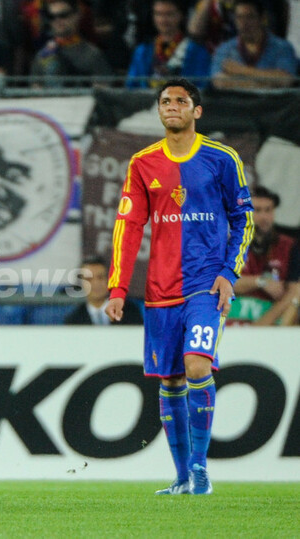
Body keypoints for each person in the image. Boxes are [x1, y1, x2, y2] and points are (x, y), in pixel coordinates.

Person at [105, 78, 254, 496]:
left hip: (206, 285)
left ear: (196, 111)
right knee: (170, 381)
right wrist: (117, 288)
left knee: (197, 366)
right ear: (159, 110)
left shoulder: (222, 158)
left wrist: (229, 272)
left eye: (181, 101)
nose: (172, 106)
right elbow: (128, 226)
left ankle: (200, 468)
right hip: (161, 289)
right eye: (165, 101)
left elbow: (243, 218)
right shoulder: (142, 163)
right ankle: (182, 477)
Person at [231, 186, 298, 325]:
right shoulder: (229, 244)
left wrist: (261, 328)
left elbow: (294, 291)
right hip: (233, 321)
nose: (264, 217)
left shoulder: (289, 246)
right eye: (257, 210)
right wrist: (261, 282)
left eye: (268, 210)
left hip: (272, 321)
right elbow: (219, 284)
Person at [210, 0, 297, 89]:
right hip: (236, 98)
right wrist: (265, 83)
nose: (244, 23)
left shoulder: (282, 47)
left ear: (262, 18)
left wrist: (241, 70)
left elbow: (285, 80)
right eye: (239, 17)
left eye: (250, 17)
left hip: (272, 98)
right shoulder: (225, 49)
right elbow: (220, 82)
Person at [125, 0, 212, 89]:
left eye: (169, 14)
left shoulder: (196, 51)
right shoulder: (142, 51)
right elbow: (131, 86)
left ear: (181, 15)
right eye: (158, 14)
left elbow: (202, 86)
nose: (163, 20)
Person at [30, 0, 113, 87]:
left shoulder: (93, 55)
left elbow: (103, 89)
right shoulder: (42, 55)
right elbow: (35, 89)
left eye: (63, 15)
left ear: (77, 15)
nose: (57, 20)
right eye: (51, 16)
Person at [64, 256, 143, 325]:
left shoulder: (130, 313)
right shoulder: (73, 321)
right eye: (89, 279)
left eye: (100, 277)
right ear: (80, 284)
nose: (96, 283)